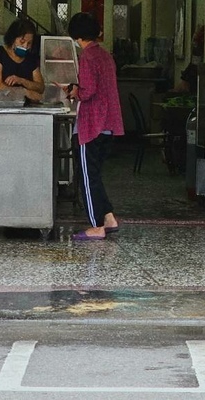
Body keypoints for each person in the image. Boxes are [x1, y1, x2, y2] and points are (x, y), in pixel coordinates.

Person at [64, 12, 124, 241]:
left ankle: (96, 225)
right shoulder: (105, 55)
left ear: (76, 36)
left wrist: (73, 91)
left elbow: (88, 92)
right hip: (108, 123)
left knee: (87, 176)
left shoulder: (88, 57)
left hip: (92, 125)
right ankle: (109, 218)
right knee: (96, 174)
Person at [0, 18, 45, 101]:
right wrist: (22, 92)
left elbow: (40, 87)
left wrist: (22, 81)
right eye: (22, 41)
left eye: (29, 43)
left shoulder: (30, 59)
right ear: (12, 39)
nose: (25, 46)